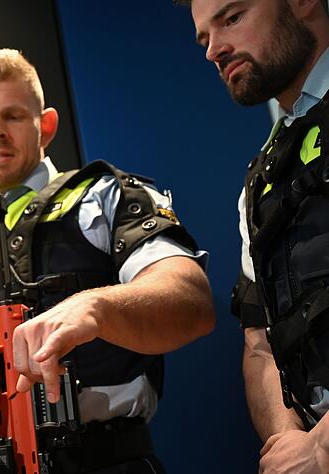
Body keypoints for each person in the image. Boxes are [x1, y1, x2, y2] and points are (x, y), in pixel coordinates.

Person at [0, 49, 215, 474]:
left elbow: (192, 302)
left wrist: (96, 307)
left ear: (47, 125)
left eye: (14, 116)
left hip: (106, 460)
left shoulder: (108, 196)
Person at [181, 0, 329, 471]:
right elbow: (259, 341)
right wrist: (289, 444)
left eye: (232, 17)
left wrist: (322, 448)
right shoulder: (258, 184)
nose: (213, 51)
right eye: (204, 38)